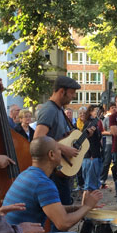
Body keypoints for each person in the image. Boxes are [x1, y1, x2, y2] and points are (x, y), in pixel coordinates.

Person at [34, 76, 81, 206]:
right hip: (53, 173)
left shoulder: (58, 109)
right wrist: (65, 149)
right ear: (61, 91)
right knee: (59, 218)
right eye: (71, 93)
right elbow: (38, 138)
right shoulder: (49, 109)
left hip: (60, 170)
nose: (73, 97)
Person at [82, 105, 102, 191]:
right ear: (90, 112)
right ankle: (88, 204)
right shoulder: (89, 123)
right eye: (95, 111)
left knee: (92, 184)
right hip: (90, 157)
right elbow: (85, 140)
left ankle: (91, 203)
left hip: (94, 155)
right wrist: (91, 154)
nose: (98, 112)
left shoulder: (94, 123)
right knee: (90, 185)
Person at [100, 102, 116, 187]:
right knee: (107, 161)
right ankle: (102, 179)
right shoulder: (106, 119)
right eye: (112, 107)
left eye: (115, 107)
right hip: (109, 142)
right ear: (109, 109)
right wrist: (111, 132)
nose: (114, 109)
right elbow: (102, 131)